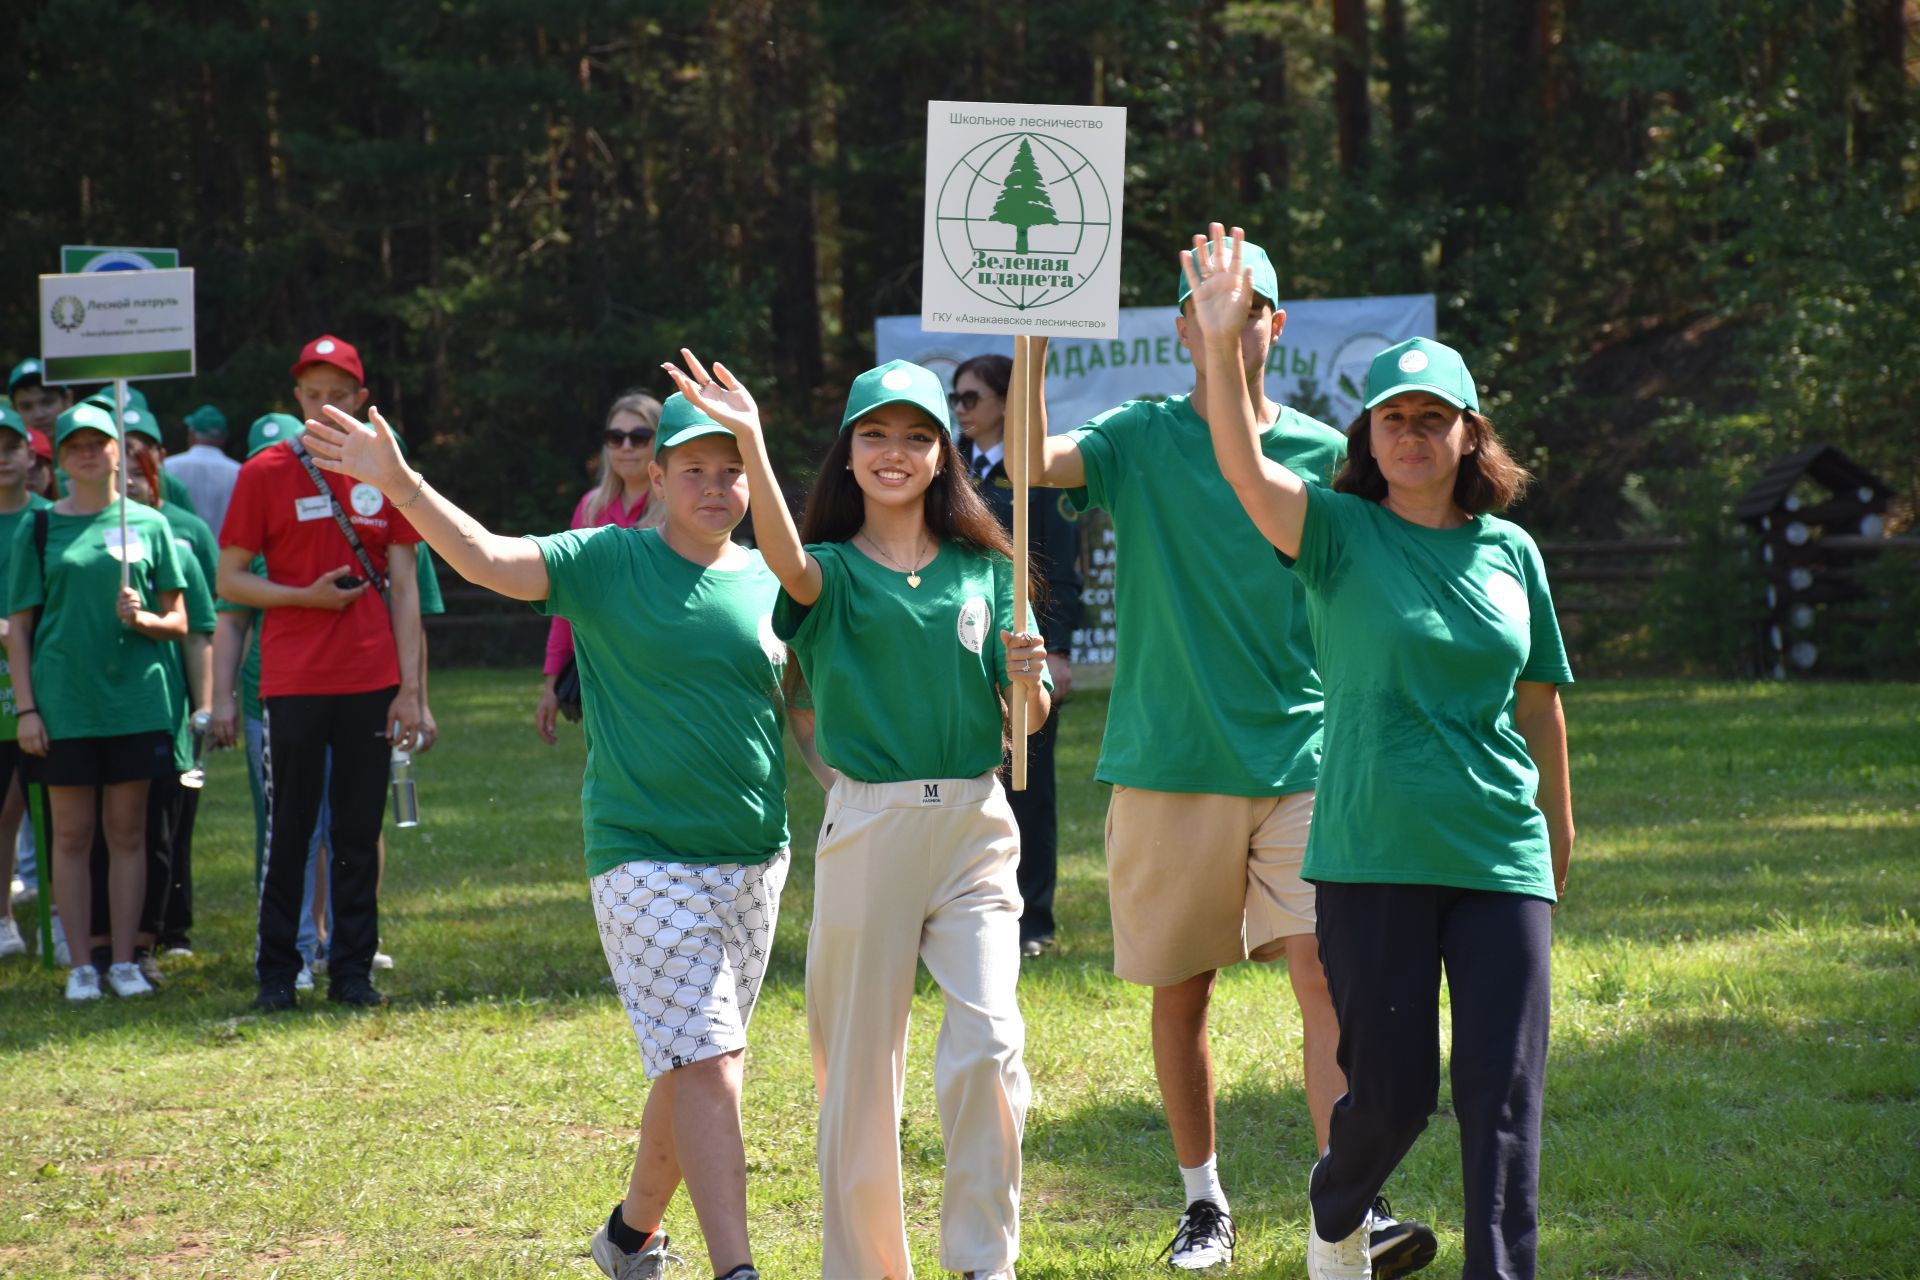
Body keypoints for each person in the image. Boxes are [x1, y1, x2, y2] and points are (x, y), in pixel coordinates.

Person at [300, 390, 791, 1280]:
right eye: (694, 470)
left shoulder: (770, 578)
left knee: (695, 1062)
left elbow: (801, 720)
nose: (715, 487)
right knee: (711, 1062)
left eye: (732, 471)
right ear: (655, 475)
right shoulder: (607, 560)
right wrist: (404, 485)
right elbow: (487, 558)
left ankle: (630, 1238)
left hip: (756, 856)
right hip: (641, 853)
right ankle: (738, 1271)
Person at [1024, 234, 1437, 1273]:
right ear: (1177, 327)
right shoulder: (1141, 435)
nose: (1227, 322)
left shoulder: (1322, 456)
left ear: (1275, 326)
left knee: (1322, 975)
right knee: (1183, 989)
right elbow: (1032, 462)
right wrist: (1030, 341)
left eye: (1247, 307)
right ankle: (1204, 1200)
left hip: (1304, 757)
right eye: (1206, 306)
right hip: (1166, 759)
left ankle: (1352, 1201)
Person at [1184, 227, 1574, 1280]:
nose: (1412, 434)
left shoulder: (1512, 551)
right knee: (1393, 1091)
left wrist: (1559, 832)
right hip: (1371, 852)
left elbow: (1540, 703)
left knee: (1504, 1098)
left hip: (1498, 850)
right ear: (1369, 434)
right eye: (1394, 417)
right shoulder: (1338, 534)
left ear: (1468, 434)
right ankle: (1338, 1202)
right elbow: (1241, 464)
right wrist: (1222, 347)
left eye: (1433, 418)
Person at [665, 351, 1048, 1280]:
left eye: (917, 437)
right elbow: (788, 562)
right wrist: (750, 438)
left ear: (941, 455)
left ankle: (982, 1264)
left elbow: (1022, 720)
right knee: (859, 1080)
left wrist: (1031, 683)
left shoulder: (985, 565)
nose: (895, 453)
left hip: (976, 823)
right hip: (869, 826)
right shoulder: (823, 571)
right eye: (875, 435)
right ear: (848, 453)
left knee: (990, 1043)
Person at [216, 335, 424, 1011]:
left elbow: (405, 585)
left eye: (340, 395)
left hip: (370, 681)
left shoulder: (385, 471)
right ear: (297, 398)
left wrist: (411, 692)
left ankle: (352, 974)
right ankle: (278, 974)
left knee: (359, 831)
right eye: (313, 395)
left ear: (361, 401)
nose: (326, 406)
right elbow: (231, 579)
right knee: (291, 831)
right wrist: (302, 598)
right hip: (293, 683)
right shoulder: (265, 472)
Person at [7, 401, 189, 1002]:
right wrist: (28, 710)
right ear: (57, 460)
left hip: (135, 702)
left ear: (120, 452)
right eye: (75, 446)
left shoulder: (151, 524)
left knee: (128, 831)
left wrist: (146, 620)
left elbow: (181, 620)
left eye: (99, 443)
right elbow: (22, 631)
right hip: (65, 705)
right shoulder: (37, 529)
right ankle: (82, 963)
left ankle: (126, 960)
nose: (88, 453)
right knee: (71, 835)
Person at [950, 354, 1082, 959]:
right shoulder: (946, 467)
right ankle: (969, 908)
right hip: (960, 653)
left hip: (1026, 654)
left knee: (1031, 789)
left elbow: (1061, 567)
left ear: (1007, 400)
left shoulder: (1040, 473)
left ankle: (1034, 918)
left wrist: (1055, 649)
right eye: (955, 399)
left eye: (971, 398)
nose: (960, 411)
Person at [84, 450, 214, 987]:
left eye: (141, 471)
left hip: (157, 710)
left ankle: (148, 942)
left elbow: (198, 625)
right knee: (92, 831)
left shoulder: (172, 533)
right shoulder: (78, 533)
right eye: (126, 470)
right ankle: (95, 946)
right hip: (87, 709)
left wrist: (203, 707)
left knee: (154, 830)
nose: (132, 481)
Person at [536, 391, 661, 745]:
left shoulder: (677, 508)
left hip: (659, 665)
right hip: (598, 669)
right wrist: (551, 683)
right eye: (614, 437)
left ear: (660, 443)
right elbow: (565, 601)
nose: (625, 446)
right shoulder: (590, 509)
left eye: (639, 437)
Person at [0, 407, 52, 960]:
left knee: (59, 807)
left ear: (30, 455)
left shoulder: (48, 517)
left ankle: (62, 917)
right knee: (5, 810)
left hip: (49, 685)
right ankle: (3, 919)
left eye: (10, 445)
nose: (2, 457)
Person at [163, 404, 242, 538]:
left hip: (182, 552)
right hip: (225, 555)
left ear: (192, 434)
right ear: (223, 438)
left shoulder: (168, 467)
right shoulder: (239, 472)